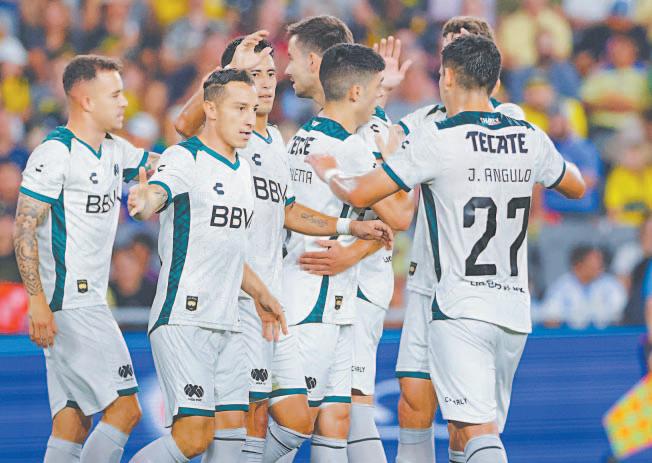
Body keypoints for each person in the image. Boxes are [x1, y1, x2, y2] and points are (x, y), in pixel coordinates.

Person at [306, 34, 585, 463]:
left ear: (448, 76)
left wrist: (329, 172)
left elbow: (363, 193)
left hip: (460, 306)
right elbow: (576, 185)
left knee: (474, 430)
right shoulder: (529, 135)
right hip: (514, 309)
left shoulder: (439, 138)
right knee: (471, 427)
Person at [173, 32, 394, 463]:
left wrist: (350, 227)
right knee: (244, 419)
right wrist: (227, 71)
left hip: (271, 294)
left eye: (270, 73)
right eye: (253, 75)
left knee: (293, 420)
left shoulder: (277, 139)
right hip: (231, 296)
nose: (266, 83)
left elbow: (289, 211)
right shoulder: (224, 140)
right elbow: (183, 126)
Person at [126, 69, 286, 463]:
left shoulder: (243, 170)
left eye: (253, 109)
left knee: (232, 433)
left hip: (227, 322)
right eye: (239, 108)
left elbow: (228, 250)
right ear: (211, 109)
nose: (249, 119)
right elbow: (157, 193)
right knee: (193, 438)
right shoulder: (186, 157)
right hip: (185, 318)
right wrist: (144, 200)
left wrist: (262, 294)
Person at [394, 16, 526, 463]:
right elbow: (380, 153)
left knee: (464, 419)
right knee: (414, 399)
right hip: (426, 280)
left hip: (479, 287)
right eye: (447, 51)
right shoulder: (422, 121)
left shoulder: (510, 121)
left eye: (463, 49)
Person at [14, 54, 157, 463]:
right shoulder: (55, 153)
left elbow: (166, 166)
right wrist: (37, 301)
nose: (125, 101)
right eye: (115, 94)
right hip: (71, 302)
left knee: (72, 424)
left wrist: (158, 187)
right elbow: (23, 227)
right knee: (126, 410)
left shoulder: (115, 150)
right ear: (87, 101)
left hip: (82, 302)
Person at [284, 16, 414, 462]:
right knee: (322, 415)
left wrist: (354, 247)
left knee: (341, 411)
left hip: (352, 285)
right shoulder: (335, 134)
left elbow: (392, 216)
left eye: (292, 58)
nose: (287, 70)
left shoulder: (341, 132)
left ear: (317, 62)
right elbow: (395, 210)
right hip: (321, 284)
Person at [540, 246, 626, 328]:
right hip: (572, 336)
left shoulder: (611, 284)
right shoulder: (561, 287)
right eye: (594, 261)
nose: (600, 264)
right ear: (579, 264)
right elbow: (550, 317)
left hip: (606, 335)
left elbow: (621, 313)